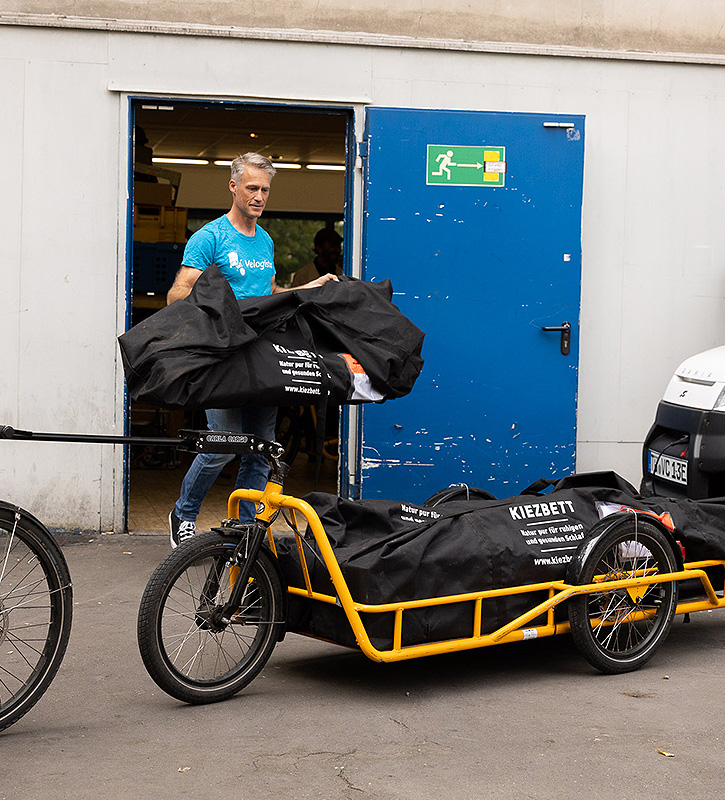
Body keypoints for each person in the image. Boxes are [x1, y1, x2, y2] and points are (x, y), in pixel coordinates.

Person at [166, 152, 337, 548]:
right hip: (221, 356)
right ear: (233, 186)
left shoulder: (265, 241)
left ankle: (243, 530)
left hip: (261, 356)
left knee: (262, 448)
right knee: (224, 443)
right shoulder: (209, 238)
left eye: (265, 190)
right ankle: (184, 512)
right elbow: (178, 295)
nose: (259, 196)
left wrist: (309, 289)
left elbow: (271, 295)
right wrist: (211, 307)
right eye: (252, 188)